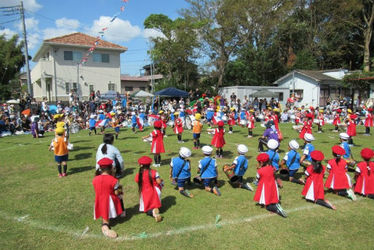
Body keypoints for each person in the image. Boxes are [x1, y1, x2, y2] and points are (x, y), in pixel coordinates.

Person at [93, 157, 126, 238]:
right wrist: (120, 190)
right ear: (111, 168)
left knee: (105, 214)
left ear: (100, 168)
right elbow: (116, 192)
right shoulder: (113, 180)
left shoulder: (95, 179)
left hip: (99, 199)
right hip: (109, 200)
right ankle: (105, 227)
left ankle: (106, 223)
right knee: (120, 196)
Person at [253, 153, 287, 218]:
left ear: (261, 162)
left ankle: (275, 208)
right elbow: (274, 175)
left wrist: (257, 181)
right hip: (273, 184)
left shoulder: (260, 170)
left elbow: (257, 178)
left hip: (264, 185)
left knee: (267, 201)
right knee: (272, 196)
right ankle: (274, 205)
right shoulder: (273, 168)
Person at [135, 156, 163, 222]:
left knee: (147, 208)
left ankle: (153, 212)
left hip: (145, 191)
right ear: (150, 164)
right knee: (154, 201)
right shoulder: (154, 172)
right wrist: (161, 180)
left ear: (140, 165)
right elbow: (158, 181)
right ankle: (155, 209)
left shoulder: (139, 174)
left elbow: (137, 181)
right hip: (155, 190)